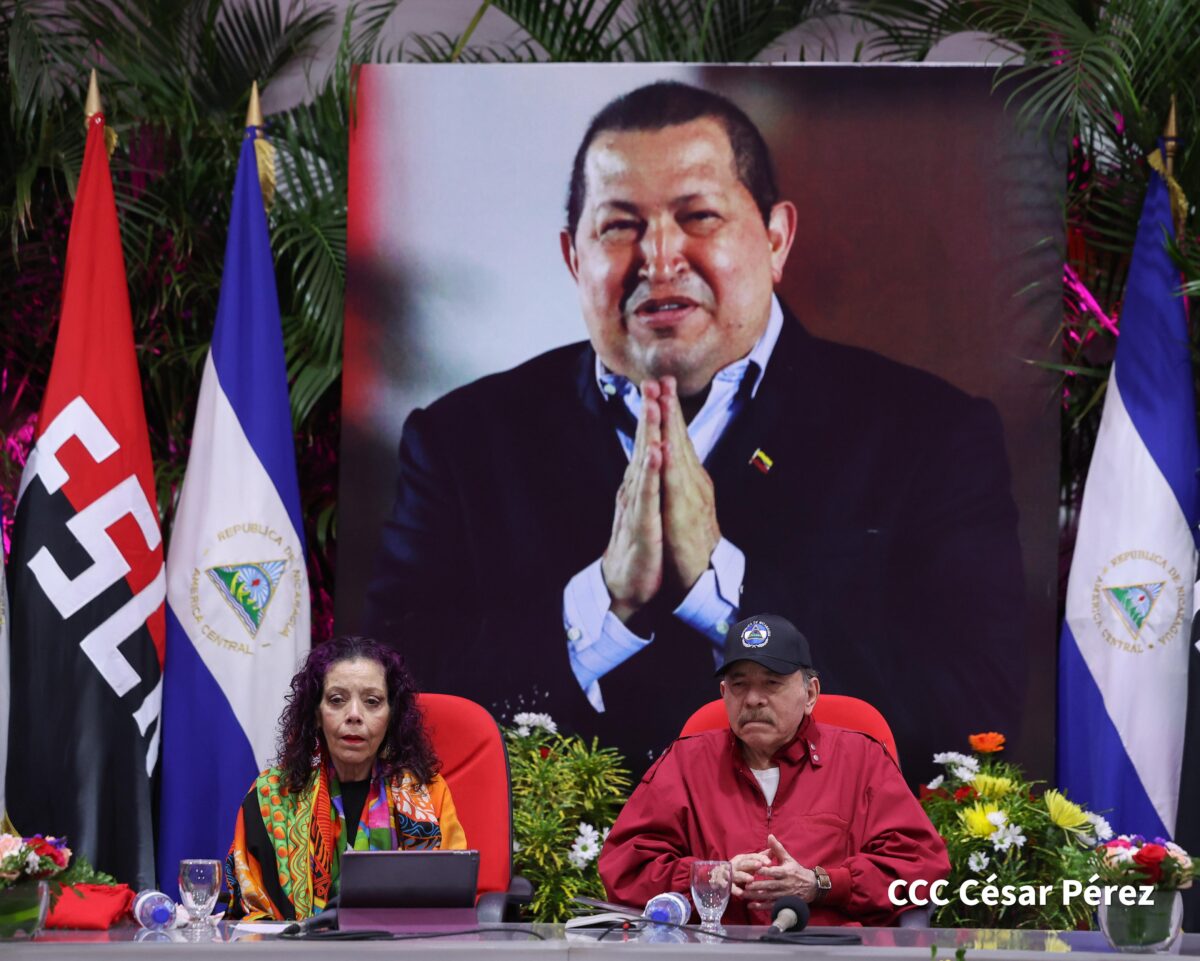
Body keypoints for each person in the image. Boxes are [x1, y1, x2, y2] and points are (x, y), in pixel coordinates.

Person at [363, 80, 1024, 778]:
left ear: (776, 238)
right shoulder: (461, 443)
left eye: (698, 216)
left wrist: (723, 589)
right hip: (541, 883)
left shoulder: (930, 435)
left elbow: (973, 717)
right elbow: (382, 711)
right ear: (573, 257)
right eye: (619, 225)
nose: (659, 257)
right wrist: (603, 604)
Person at [599, 613, 950, 926]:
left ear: (810, 694)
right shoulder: (685, 762)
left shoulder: (861, 760)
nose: (753, 698)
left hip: (830, 954)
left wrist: (822, 884)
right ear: (724, 694)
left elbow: (921, 869)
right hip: (714, 954)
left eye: (772, 682)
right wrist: (709, 876)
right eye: (739, 684)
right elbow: (626, 866)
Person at [225, 635, 467, 921]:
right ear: (316, 714)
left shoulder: (427, 793)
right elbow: (249, 910)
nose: (354, 715)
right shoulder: (270, 796)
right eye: (337, 700)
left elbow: (452, 904)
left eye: (372, 701)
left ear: (392, 715)